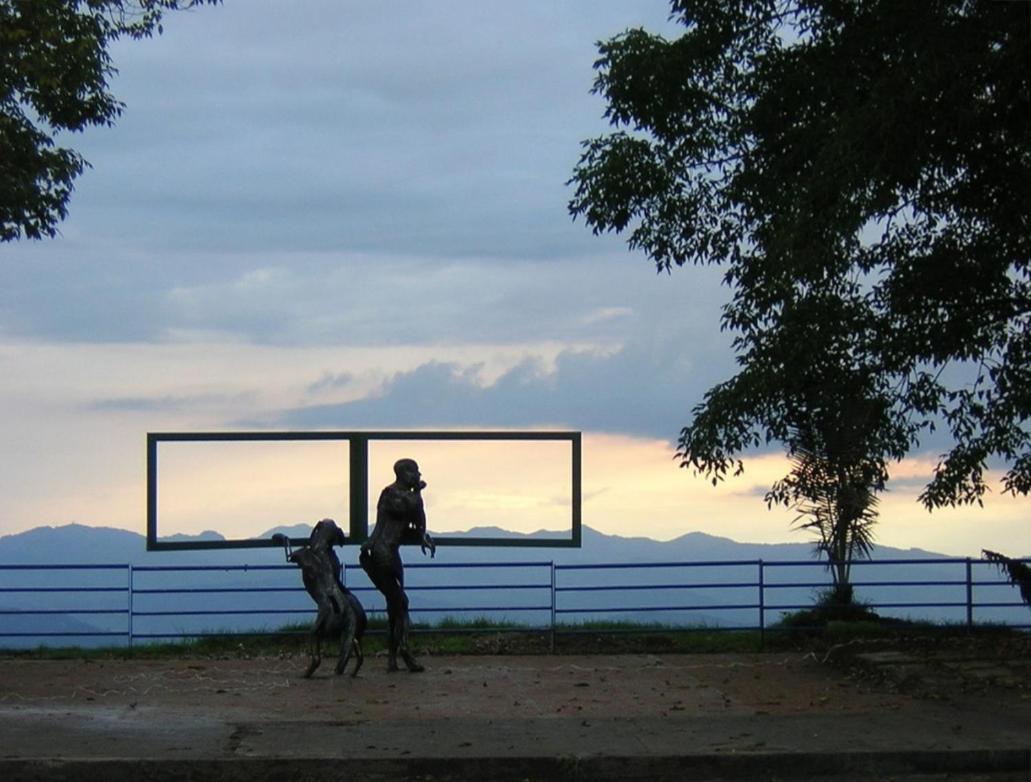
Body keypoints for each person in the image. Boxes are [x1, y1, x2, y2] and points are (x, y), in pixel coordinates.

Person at [359, 458, 435, 672]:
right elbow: (410, 511)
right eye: (414, 472)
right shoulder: (393, 495)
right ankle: (404, 651)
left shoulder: (398, 494)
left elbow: (417, 522)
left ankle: (393, 658)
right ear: (403, 473)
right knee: (400, 604)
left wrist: (422, 535)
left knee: (395, 606)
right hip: (382, 554)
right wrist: (418, 493)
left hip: (389, 552)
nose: (418, 475)